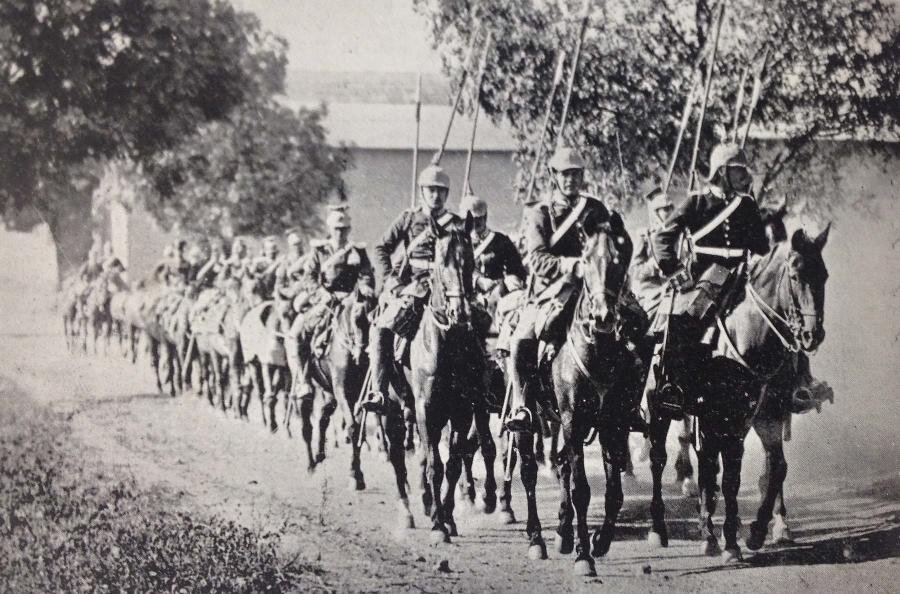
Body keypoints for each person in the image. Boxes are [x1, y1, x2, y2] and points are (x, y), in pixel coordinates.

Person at [505, 147, 632, 431]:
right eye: (565, 174)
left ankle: (632, 404)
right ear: (554, 176)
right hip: (553, 289)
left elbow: (614, 246)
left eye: (576, 174)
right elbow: (537, 258)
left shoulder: (596, 209)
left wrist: (619, 247)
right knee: (521, 340)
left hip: (597, 288)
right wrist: (571, 266)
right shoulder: (541, 213)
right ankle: (522, 406)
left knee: (639, 326)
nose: (571, 180)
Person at [649, 142, 769, 414]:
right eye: (739, 170)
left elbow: (761, 246)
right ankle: (675, 387)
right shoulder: (697, 202)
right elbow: (662, 238)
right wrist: (676, 271)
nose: (745, 176)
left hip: (743, 274)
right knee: (684, 320)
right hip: (707, 276)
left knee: (779, 308)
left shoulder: (747, 204)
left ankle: (798, 381)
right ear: (722, 172)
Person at [361, 164, 464, 414]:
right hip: (414, 288)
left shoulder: (457, 224)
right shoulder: (409, 219)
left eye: (441, 191)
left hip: (449, 290)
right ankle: (379, 391)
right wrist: (392, 281)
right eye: (431, 190)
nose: (436, 195)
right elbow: (381, 248)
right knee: (382, 327)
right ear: (422, 191)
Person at [289, 207, 375, 398]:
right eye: (336, 228)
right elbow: (309, 278)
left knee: (374, 330)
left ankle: (378, 385)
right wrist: (321, 293)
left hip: (352, 300)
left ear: (349, 229)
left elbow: (366, 274)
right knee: (299, 333)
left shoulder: (357, 251)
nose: (340, 232)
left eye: (344, 229)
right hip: (326, 301)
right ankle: (304, 381)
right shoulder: (320, 251)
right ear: (330, 228)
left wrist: (365, 287)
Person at [758, 203, 834, 409]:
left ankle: (802, 378)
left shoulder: (775, 226)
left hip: (766, 276)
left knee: (792, 318)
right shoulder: (742, 212)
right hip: (736, 269)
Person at [458, 194, 527, 311]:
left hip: (497, 294)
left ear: (485, 217)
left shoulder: (501, 240)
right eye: (470, 220)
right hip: (467, 296)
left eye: (478, 219)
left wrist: (509, 281)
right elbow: (452, 273)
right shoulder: (458, 243)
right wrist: (477, 281)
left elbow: (517, 269)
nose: (474, 224)